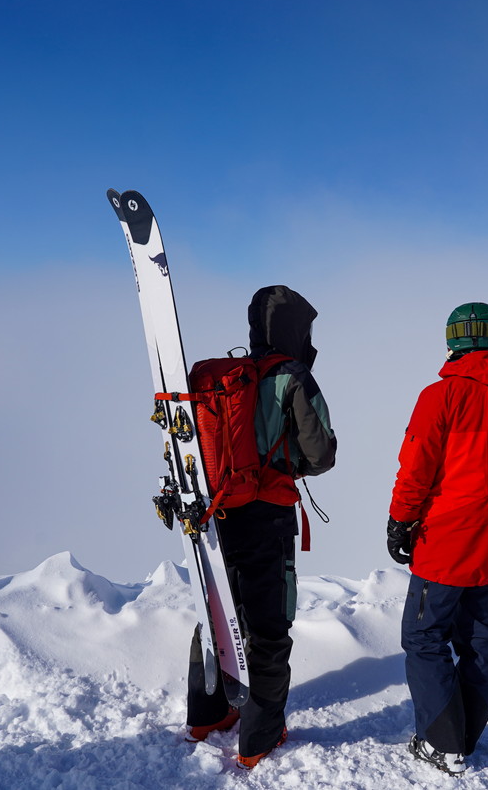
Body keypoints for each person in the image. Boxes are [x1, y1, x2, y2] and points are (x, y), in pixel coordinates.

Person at [386, 302, 488, 777]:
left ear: (452, 343)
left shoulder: (441, 397)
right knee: (480, 638)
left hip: (444, 543)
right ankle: (466, 735)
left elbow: (417, 467)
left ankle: (443, 742)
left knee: (424, 636)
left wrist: (400, 520)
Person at [186, 285, 337, 770]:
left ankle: (209, 714)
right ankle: (260, 735)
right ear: (294, 329)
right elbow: (322, 453)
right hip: (267, 516)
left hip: (218, 515)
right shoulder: (291, 375)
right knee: (268, 622)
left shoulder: (227, 378)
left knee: (219, 614)